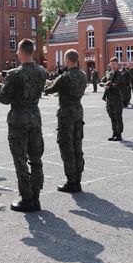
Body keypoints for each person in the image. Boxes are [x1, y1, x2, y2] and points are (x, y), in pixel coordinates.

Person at [0, 39, 46, 212]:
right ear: (33, 52)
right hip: (35, 117)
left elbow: (5, 99)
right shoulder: (42, 71)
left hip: (18, 119)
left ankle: (27, 199)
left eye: (18, 51)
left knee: (20, 160)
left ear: (21, 52)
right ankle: (36, 197)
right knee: (36, 159)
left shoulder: (14, 74)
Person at [44, 49, 87, 193]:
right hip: (78, 112)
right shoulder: (83, 75)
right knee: (77, 145)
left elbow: (49, 90)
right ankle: (78, 180)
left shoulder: (65, 77)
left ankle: (71, 181)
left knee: (66, 146)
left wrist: (49, 82)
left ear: (67, 60)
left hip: (66, 114)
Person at [100, 57, 124, 141]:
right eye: (111, 64)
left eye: (114, 64)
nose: (112, 66)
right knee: (112, 117)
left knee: (118, 116)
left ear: (117, 64)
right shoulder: (108, 73)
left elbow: (117, 85)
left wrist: (109, 86)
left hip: (117, 98)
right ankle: (114, 133)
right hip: (109, 98)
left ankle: (119, 134)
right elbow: (102, 81)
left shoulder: (120, 74)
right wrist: (104, 85)